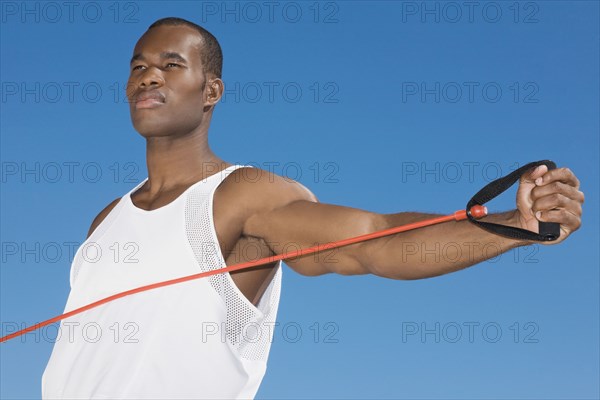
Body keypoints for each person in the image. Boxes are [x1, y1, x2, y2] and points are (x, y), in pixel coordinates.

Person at [41, 17, 584, 399]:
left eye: (170, 64)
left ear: (211, 91)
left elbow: (373, 241)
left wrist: (517, 226)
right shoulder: (107, 218)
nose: (148, 76)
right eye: (138, 66)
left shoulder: (242, 195)